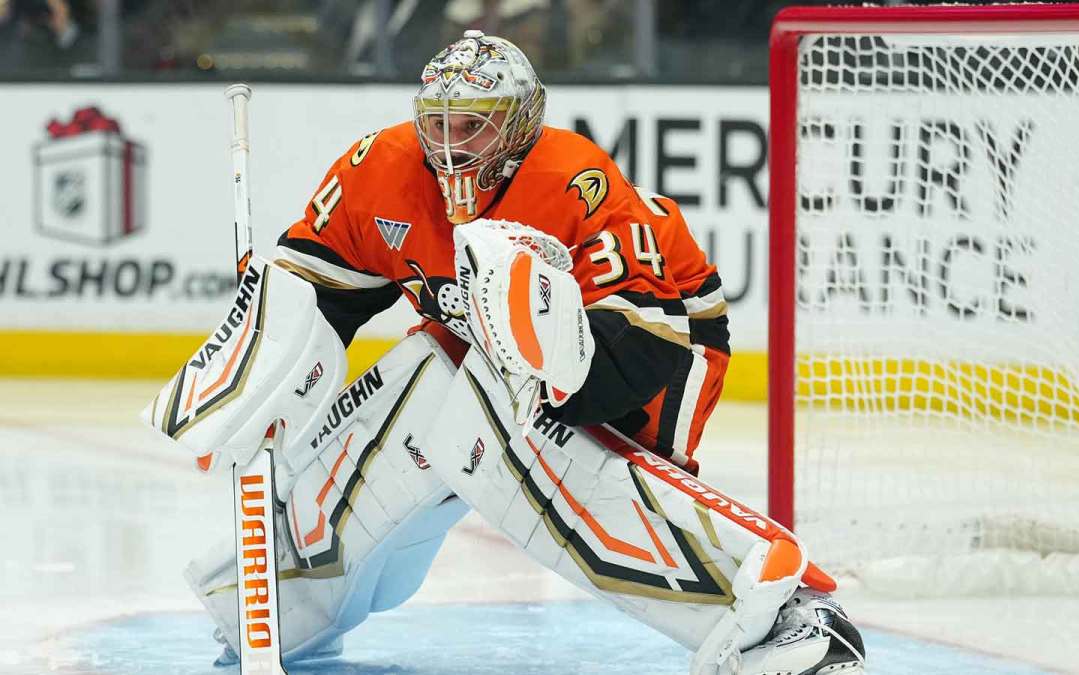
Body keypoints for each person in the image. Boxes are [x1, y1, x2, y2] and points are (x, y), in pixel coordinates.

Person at [177, 30, 865, 675]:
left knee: (520, 452)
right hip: (487, 345)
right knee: (421, 383)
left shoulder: (572, 179)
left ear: (519, 126)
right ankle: (287, 597)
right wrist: (258, 368)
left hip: (657, 337)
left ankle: (785, 614)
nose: (451, 146)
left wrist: (543, 382)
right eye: (439, 124)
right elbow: (313, 290)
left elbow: (648, 341)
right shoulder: (380, 170)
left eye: (473, 125)